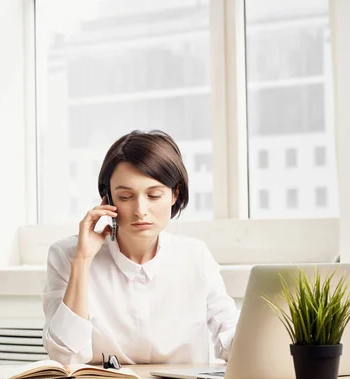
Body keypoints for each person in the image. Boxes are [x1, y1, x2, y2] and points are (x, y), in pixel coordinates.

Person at [42, 130, 239, 365]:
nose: (140, 210)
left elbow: (231, 339)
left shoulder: (195, 256)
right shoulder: (66, 255)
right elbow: (66, 355)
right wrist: (82, 261)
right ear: (108, 199)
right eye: (125, 197)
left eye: (154, 195)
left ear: (174, 194)